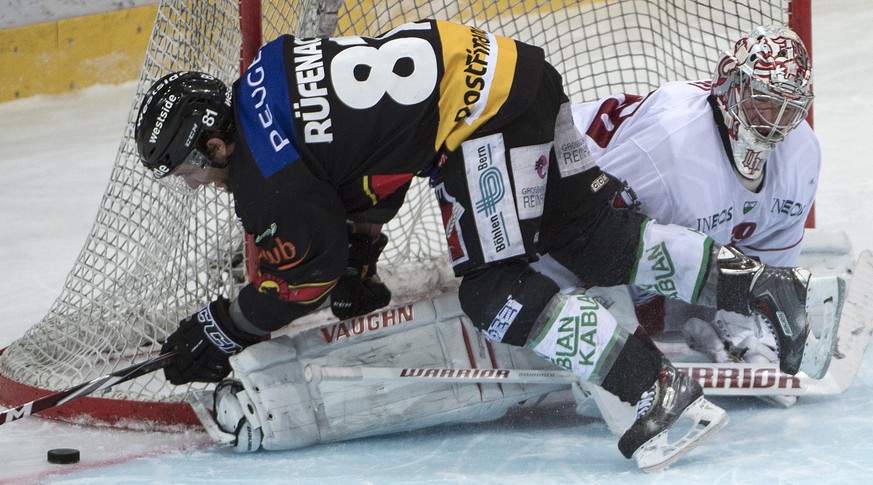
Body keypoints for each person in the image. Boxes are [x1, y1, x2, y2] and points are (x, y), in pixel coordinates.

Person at [134, 19, 812, 470]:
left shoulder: (262, 176)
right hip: (522, 76)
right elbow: (372, 151)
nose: (197, 184)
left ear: (212, 141)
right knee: (593, 235)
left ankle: (650, 388)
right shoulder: (265, 73)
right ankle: (752, 282)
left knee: (496, 291)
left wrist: (222, 327)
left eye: (189, 168)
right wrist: (361, 246)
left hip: (480, 120)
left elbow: (305, 276)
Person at [549, 26, 816, 398]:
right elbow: (581, 229)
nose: (774, 119)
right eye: (764, 100)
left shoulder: (802, 152)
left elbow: (771, 247)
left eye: (790, 106)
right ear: (729, 82)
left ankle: (725, 323)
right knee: (593, 262)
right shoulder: (669, 150)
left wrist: (751, 315)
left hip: (648, 217)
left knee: (700, 259)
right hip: (551, 179)